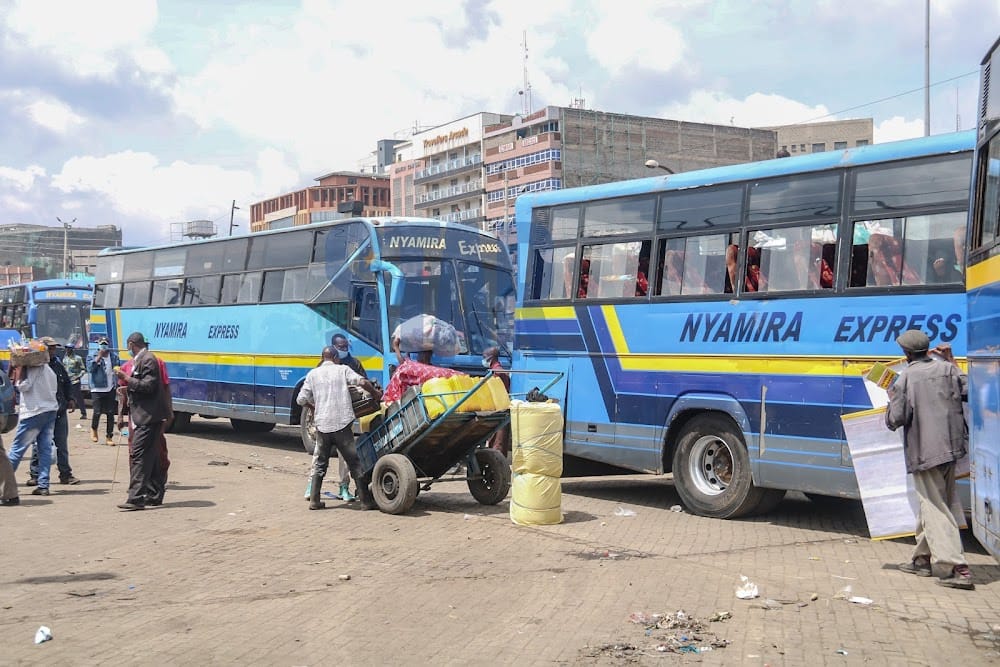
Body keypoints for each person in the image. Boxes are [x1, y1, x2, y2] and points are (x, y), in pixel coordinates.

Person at [886, 329, 973, 590]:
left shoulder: (905, 379)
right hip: (952, 449)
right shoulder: (947, 369)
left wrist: (891, 401)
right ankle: (921, 559)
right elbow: (969, 389)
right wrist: (953, 360)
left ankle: (958, 567)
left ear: (906, 353)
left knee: (935, 508)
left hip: (925, 452)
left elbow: (896, 419)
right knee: (935, 502)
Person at [296, 346, 381, 510]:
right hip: (342, 425)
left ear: (323, 358)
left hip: (322, 426)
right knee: (354, 463)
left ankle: (314, 500)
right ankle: (365, 501)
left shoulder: (313, 374)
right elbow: (362, 382)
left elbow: (301, 399)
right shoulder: (342, 370)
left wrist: (313, 407)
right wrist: (376, 394)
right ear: (335, 357)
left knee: (321, 463)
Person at [113, 332, 170, 511]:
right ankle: (154, 495)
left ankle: (136, 498)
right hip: (142, 416)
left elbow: (149, 386)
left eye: (128, 346)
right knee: (150, 456)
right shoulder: (141, 359)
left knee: (138, 455)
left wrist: (127, 378)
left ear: (131, 344)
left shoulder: (148, 359)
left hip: (148, 416)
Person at [27, 338, 80, 486]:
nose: (52, 351)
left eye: (53, 348)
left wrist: (71, 398)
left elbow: (67, 383)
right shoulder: (36, 366)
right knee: (38, 445)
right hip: (41, 413)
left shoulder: (57, 364)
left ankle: (65, 474)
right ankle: (35, 475)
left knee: (61, 444)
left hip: (59, 410)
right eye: (49, 348)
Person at [6, 361, 59, 497]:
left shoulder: (33, 369)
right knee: (45, 450)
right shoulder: (48, 370)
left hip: (34, 413)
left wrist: (19, 369)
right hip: (50, 410)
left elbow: (23, 387)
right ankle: (43, 486)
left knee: (17, 449)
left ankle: (4, 483)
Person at [88, 338, 119, 446]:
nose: (104, 346)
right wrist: (99, 357)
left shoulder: (114, 356)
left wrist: (117, 371)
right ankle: (94, 429)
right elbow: (90, 369)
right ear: (98, 345)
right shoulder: (92, 355)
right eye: (102, 344)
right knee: (97, 411)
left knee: (110, 413)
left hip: (110, 388)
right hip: (97, 388)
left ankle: (109, 436)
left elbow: (117, 367)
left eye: (105, 344)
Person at [482, 346, 511, 455]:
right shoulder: (496, 370)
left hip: (499, 407)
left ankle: (496, 457)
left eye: (484, 357)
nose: (483, 360)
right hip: (499, 407)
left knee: (498, 438)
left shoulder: (497, 372)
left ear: (491, 358)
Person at [62, 344, 87, 419]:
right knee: (64, 396)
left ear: (72, 349)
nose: (67, 350)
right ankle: (63, 413)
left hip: (75, 381)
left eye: (69, 348)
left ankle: (83, 413)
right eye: (66, 348)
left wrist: (78, 376)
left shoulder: (78, 358)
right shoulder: (65, 358)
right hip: (66, 381)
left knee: (78, 397)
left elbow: (83, 369)